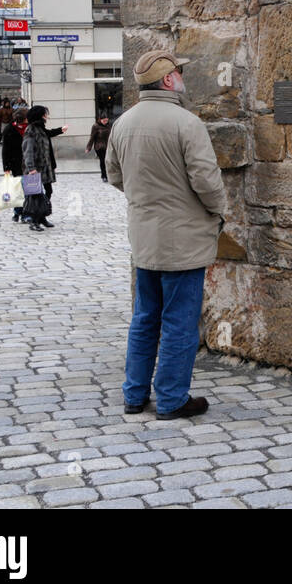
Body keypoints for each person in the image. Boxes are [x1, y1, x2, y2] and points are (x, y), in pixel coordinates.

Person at [108, 50, 226, 421]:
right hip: (183, 239)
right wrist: (218, 209)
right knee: (179, 320)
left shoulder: (122, 123)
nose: (181, 76)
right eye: (178, 72)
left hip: (144, 239)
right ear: (169, 81)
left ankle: (134, 394)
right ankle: (172, 398)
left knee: (145, 317)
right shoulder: (186, 123)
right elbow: (206, 181)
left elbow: (114, 175)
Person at [22, 105, 66, 232]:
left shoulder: (40, 127)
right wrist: (31, 168)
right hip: (35, 169)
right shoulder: (31, 130)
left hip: (45, 168)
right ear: (40, 115)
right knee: (35, 196)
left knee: (48, 191)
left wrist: (60, 130)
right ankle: (34, 221)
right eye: (45, 113)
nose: (47, 115)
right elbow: (27, 151)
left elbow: (48, 134)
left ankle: (42, 217)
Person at [1, 116, 28, 223]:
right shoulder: (9, 129)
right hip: (16, 164)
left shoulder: (29, 128)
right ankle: (18, 212)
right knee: (19, 190)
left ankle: (24, 213)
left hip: (28, 164)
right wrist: (6, 167)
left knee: (27, 190)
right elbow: (5, 150)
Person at [86, 114, 113, 182]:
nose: (105, 122)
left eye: (106, 120)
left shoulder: (109, 125)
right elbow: (92, 137)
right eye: (104, 121)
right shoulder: (95, 126)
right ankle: (104, 176)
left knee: (109, 161)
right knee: (103, 161)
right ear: (100, 119)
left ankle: (109, 175)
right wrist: (88, 147)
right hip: (99, 147)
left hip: (108, 146)